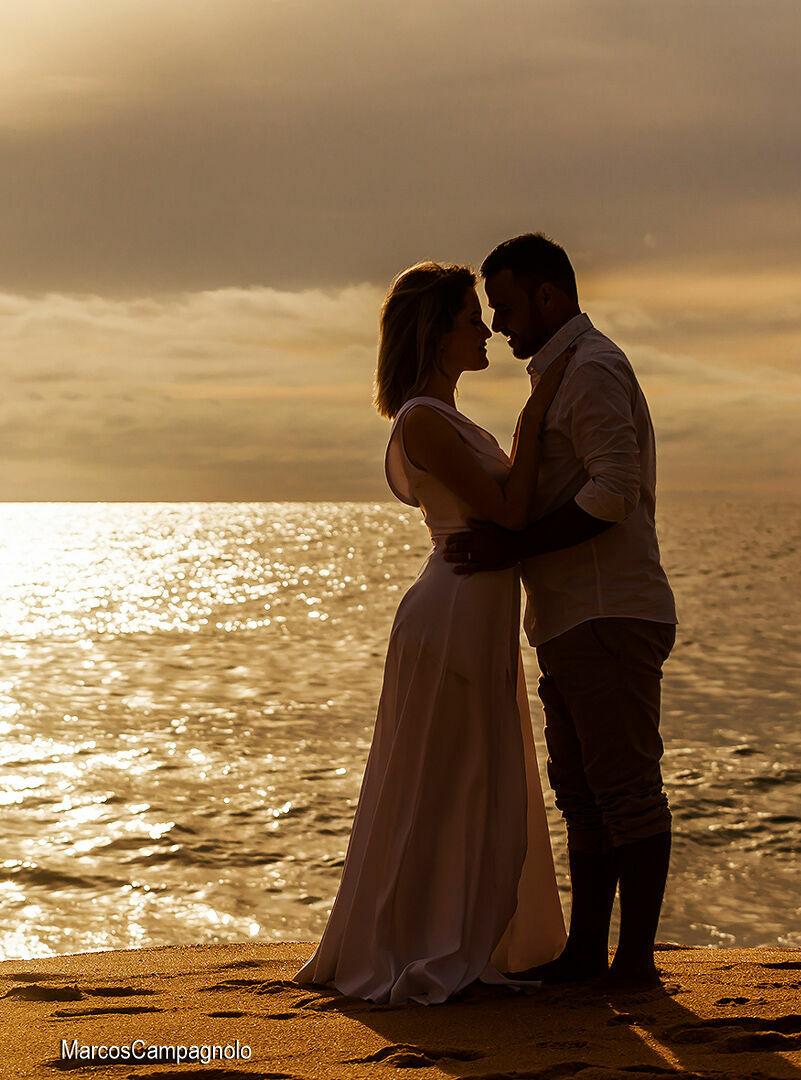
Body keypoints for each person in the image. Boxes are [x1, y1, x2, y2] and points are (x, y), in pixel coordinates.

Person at [294, 261, 568, 1005]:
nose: (482, 330)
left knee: (472, 775)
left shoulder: (448, 418)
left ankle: (470, 934)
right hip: (451, 611)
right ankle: (432, 942)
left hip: (475, 610)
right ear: (435, 332)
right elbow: (507, 513)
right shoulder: (422, 417)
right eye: (468, 319)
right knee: (450, 779)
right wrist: (536, 417)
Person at [445, 233, 678, 992]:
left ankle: (633, 961)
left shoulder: (594, 369)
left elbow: (612, 492)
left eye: (507, 308)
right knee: (583, 792)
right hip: (572, 615)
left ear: (549, 296)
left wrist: (516, 549)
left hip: (608, 611)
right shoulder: (562, 373)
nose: (500, 326)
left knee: (625, 789)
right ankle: (587, 952)